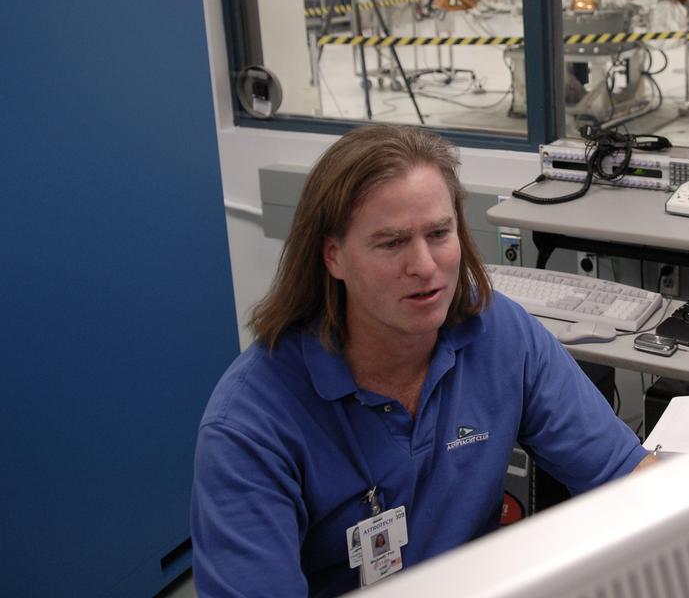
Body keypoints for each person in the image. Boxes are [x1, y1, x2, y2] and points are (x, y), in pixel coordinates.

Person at [192, 125, 652, 597]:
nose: (425, 266)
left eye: (438, 233)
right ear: (334, 256)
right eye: (391, 243)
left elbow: (625, 474)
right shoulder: (250, 425)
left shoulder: (500, 334)